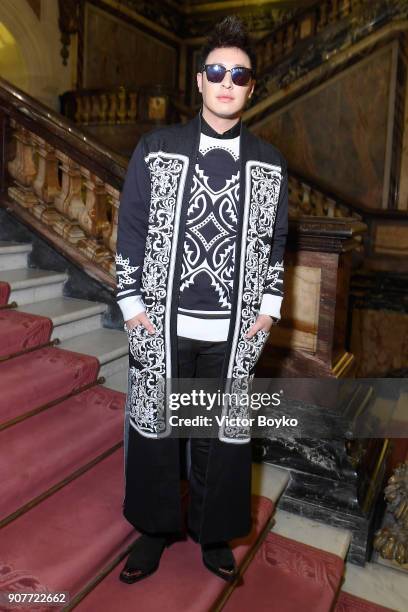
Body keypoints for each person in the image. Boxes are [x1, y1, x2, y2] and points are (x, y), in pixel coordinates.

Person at [114, 15, 288, 584]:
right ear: (199, 80)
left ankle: (214, 536)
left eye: (239, 74)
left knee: (222, 438)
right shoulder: (157, 148)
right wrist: (131, 306)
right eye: (217, 71)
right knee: (156, 431)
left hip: (234, 331)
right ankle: (154, 530)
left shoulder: (269, 162)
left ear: (251, 87)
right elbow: (132, 228)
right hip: (161, 322)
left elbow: (275, 241)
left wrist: (270, 309)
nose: (226, 82)